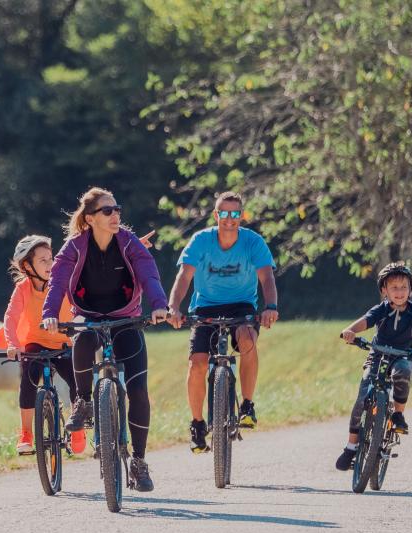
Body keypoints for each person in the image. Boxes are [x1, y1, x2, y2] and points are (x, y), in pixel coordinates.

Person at [42, 187, 168, 491]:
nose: (116, 215)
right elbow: (57, 280)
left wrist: (160, 304)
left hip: (126, 318)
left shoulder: (129, 243)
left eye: (117, 209)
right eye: (107, 211)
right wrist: (50, 313)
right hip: (90, 315)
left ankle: (138, 462)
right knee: (83, 336)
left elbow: (149, 273)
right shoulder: (74, 247)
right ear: (90, 219)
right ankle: (83, 401)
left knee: (138, 391)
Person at [166, 191, 279, 453]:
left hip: (242, 306)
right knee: (197, 364)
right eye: (224, 214)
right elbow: (184, 277)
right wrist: (174, 307)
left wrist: (270, 307)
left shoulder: (253, 242)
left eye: (235, 214)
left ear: (241, 216)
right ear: (216, 215)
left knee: (247, 339)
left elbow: (267, 278)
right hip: (206, 306)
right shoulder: (201, 240)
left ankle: (248, 404)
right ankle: (197, 424)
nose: (230, 219)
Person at [334, 262, 412, 471]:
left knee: (403, 372)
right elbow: (365, 321)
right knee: (363, 397)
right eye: (394, 288)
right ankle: (351, 446)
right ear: (384, 290)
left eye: (404, 287)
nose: (399, 292)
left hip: (403, 356)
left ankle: (398, 414)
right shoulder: (381, 309)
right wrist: (350, 331)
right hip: (378, 355)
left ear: (410, 289)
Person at [0, 235, 81, 455]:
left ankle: (77, 427)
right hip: (35, 343)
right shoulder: (22, 289)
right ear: (27, 266)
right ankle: (26, 433)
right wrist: (12, 344)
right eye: (43, 260)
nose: (50, 264)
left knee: (77, 382)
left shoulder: (62, 283)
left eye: (51, 258)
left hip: (63, 342)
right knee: (29, 381)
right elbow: (11, 318)